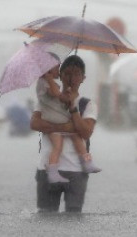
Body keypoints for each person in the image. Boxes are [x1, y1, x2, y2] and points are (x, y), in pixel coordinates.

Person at [29, 55, 97, 213]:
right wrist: (69, 127)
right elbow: (35, 123)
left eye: (76, 74)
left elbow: (86, 132)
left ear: (83, 78)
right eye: (67, 73)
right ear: (60, 75)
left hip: (76, 172)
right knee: (45, 217)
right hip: (47, 170)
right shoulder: (46, 99)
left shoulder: (87, 104)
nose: (72, 78)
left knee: (74, 218)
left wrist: (73, 107)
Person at [36, 62, 101, 184]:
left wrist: (66, 96)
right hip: (52, 118)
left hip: (58, 117)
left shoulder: (48, 83)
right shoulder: (43, 83)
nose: (58, 71)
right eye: (56, 69)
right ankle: (53, 172)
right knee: (58, 146)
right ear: (47, 71)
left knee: (76, 136)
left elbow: (58, 97)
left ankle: (86, 161)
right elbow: (56, 94)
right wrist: (51, 81)